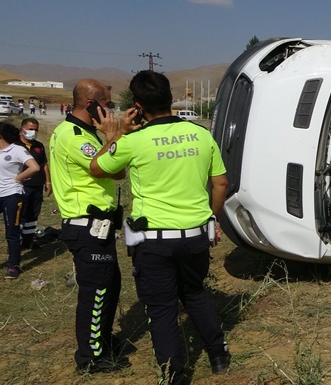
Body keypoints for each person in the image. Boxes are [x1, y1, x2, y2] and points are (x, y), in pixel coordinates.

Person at [90, 70, 230, 384]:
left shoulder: (133, 142)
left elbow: (97, 167)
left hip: (154, 242)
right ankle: (218, 353)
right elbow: (220, 183)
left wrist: (117, 134)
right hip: (195, 235)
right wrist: (211, 217)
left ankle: (175, 375)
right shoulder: (201, 134)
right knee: (195, 293)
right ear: (170, 98)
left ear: (138, 105)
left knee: (162, 307)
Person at [49, 79, 129, 374]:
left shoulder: (85, 133)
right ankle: (90, 357)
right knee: (96, 291)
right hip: (87, 225)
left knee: (109, 285)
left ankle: (102, 340)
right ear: (92, 104)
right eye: (107, 105)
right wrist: (113, 138)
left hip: (99, 226)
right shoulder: (73, 136)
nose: (110, 112)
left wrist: (111, 137)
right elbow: (113, 168)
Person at [0, 123, 40, 279]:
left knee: (12, 232)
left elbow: (34, 167)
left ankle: (13, 265)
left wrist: (18, 178)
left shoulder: (17, 150)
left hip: (12, 194)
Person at [19, 118, 52, 250]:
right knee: (20, 214)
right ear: (22, 129)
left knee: (33, 214)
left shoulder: (39, 146)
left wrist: (48, 182)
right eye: (31, 129)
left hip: (37, 185)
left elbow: (44, 165)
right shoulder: (14, 145)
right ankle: (17, 241)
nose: (33, 132)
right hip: (21, 186)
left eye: (36, 130)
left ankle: (28, 240)